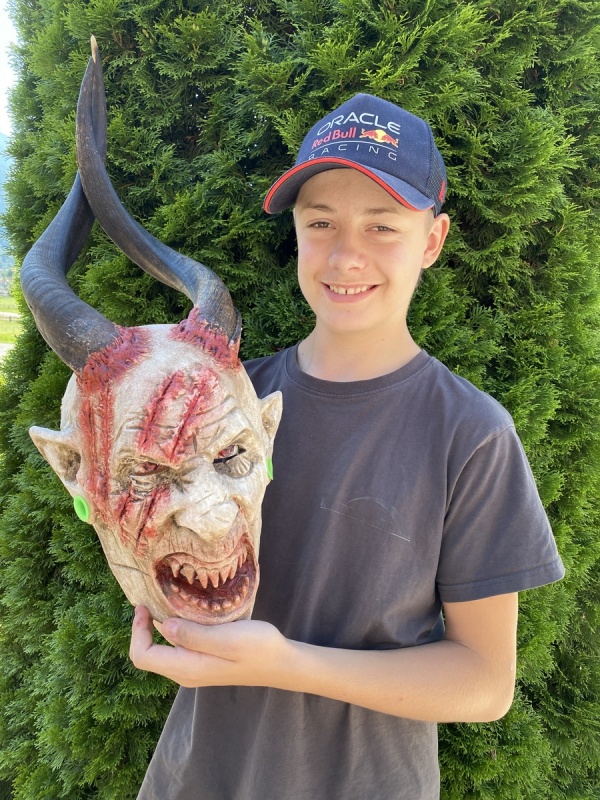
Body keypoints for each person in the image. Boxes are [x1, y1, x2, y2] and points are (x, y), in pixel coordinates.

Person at [130, 94, 565, 800]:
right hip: (198, 776)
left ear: (432, 240)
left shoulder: (471, 433)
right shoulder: (222, 402)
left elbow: (485, 684)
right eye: (321, 222)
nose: (345, 254)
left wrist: (284, 664)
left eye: (383, 225)